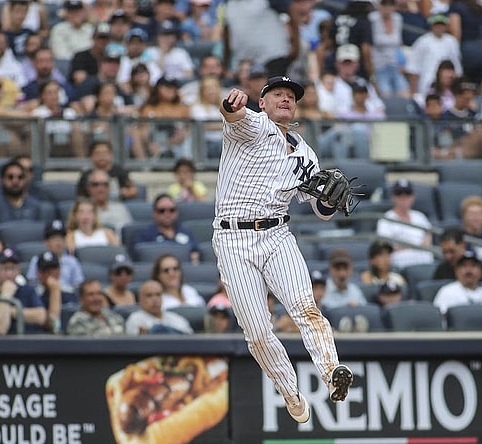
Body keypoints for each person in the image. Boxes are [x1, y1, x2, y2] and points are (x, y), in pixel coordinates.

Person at [215, 76, 354, 424]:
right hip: (233, 239)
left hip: (277, 234)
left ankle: (332, 372)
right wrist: (231, 104)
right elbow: (233, 115)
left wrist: (330, 201)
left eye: (291, 96)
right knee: (258, 332)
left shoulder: (306, 154)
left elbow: (320, 209)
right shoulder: (255, 126)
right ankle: (291, 393)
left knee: (306, 307)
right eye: (278, 93)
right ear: (262, 103)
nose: (286, 99)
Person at [0, 247, 48, 335]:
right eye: (5, 268)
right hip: (3, 343)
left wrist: (8, 310)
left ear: (18, 270)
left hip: (30, 340)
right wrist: (6, 295)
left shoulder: (28, 291)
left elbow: (41, 317)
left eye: (13, 268)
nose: (9, 274)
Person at [376, 178, 436, 270]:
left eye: (407, 194)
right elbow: (386, 246)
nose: (403, 197)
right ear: (393, 197)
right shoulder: (386, 219)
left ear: (413, 197)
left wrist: (419, 247)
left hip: (424, 256)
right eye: (399, 194)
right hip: (400, 258)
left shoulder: (420, 216)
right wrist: (413, 247)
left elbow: (428, 234)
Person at [0, 160, 44, 242]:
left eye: (20, 177)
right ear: (2, 180)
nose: (15, 181)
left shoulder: (34, 204)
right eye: (10, 177)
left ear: (25, 180)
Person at [432, 251, 482, 316]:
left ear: (481, 272)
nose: (468, 270)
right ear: (456, 271)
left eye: (473, 266)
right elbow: (441, 318)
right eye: (464, 266)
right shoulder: (447, 292)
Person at [136, 193, 200, 264]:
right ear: (154, 213)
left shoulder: (186, 232)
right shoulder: (145, 235)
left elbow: (195, 254)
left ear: (177, 212)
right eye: (162, 211)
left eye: (172, 210)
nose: (167, 214)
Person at [25, 220, 84, 291]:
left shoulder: (72, 261)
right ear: (46, 242)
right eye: (54, 238)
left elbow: (78, 285)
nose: (58, 242)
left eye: (61, 238)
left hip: (67, 294)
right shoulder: (37, 260)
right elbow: (31, 283)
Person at [125, 279, 194, 334]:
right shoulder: (135, 319)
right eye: (149, 295)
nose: (155, 299)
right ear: (140, 300)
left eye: (158, 295)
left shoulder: (176, 318)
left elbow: (190, 340)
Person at [34, 251, 78, 334]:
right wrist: (55, 290)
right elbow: (52, 325)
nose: (51, 273)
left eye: (54, 269)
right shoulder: (34, 295)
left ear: (60, 270)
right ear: (39, 273)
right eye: (46, 270)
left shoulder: (70, 293)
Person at [82, 169, 134, 234]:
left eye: (105, 184)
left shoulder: (120, 208)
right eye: (95, 184)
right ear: (88, 187)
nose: (100, 189)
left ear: (109, 187)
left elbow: (129, 233)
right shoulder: (82, 211)